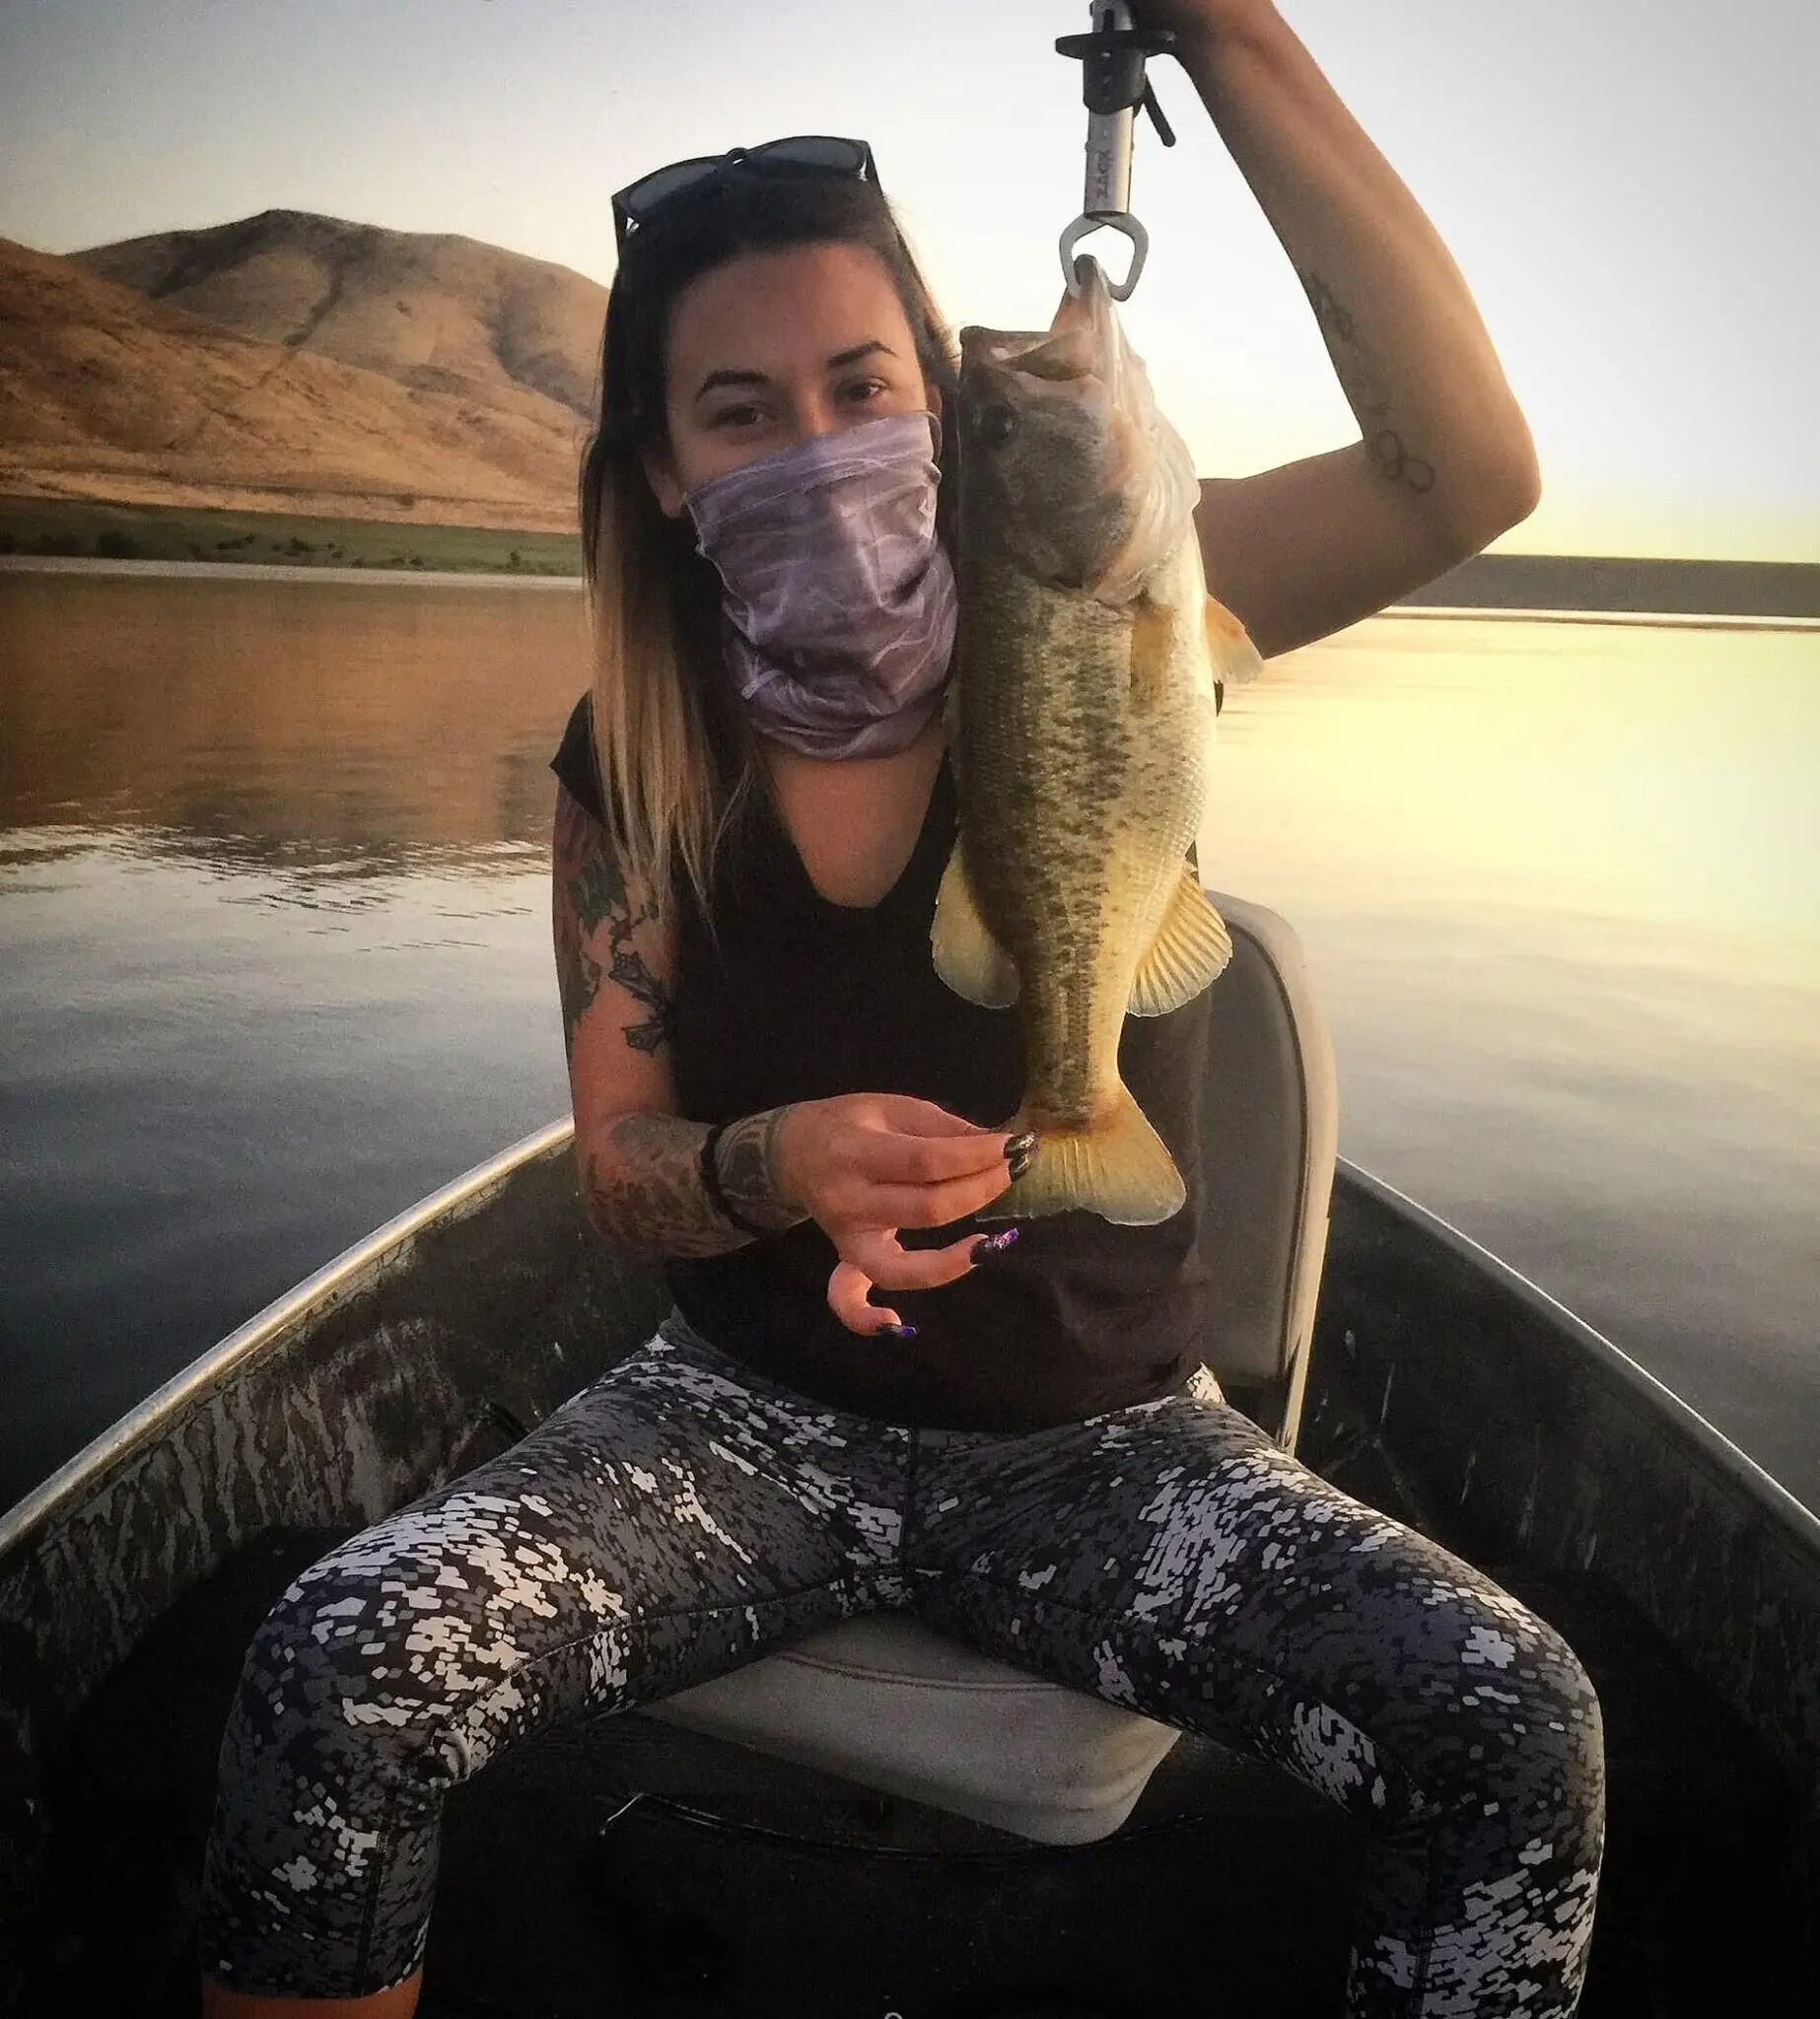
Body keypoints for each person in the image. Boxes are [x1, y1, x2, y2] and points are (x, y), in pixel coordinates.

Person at [198, 5, 1603, 2013]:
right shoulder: (635, 755)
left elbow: (1460, 470)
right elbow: (621, 1169)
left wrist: (1224, 39)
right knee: (336, 1663)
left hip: (1102, 1447)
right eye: (739, 410)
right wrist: (775, 1164)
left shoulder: (1116, 588)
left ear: (935, 401)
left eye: (861, 384)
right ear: (664, 472)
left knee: (1509, 1722)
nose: (815, 444)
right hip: (736, 1428)